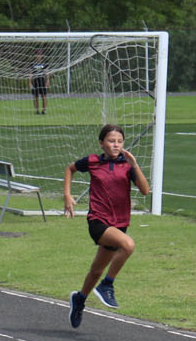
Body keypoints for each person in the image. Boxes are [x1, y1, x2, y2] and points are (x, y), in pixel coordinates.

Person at [63, 125, 151, 327]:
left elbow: (145, 191)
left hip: (120, 224)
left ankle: (80, 299)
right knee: (128, 245)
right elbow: (70, 168)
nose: (116, 145)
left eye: (119, 141)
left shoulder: (128, 166)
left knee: (95, 270)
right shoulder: (93, 161)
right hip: (98, 221)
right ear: (102, 143)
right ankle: (107, 285)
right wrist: (67, 195)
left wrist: (135, 165)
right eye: (111, 141)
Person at [30, 49, 49, 115]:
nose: (38, 56)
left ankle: (44, 110)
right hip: (35, 81)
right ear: (35, 56)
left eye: (40, 55)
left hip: (42, 81)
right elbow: (30, 74)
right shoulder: (33, 64)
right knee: (35, 97)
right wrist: (30, 82)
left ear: (42, 55)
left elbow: (47, 73)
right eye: (37, 55)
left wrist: (47, 81)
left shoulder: (44, 64)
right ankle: (37, 110)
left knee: (44, 97)